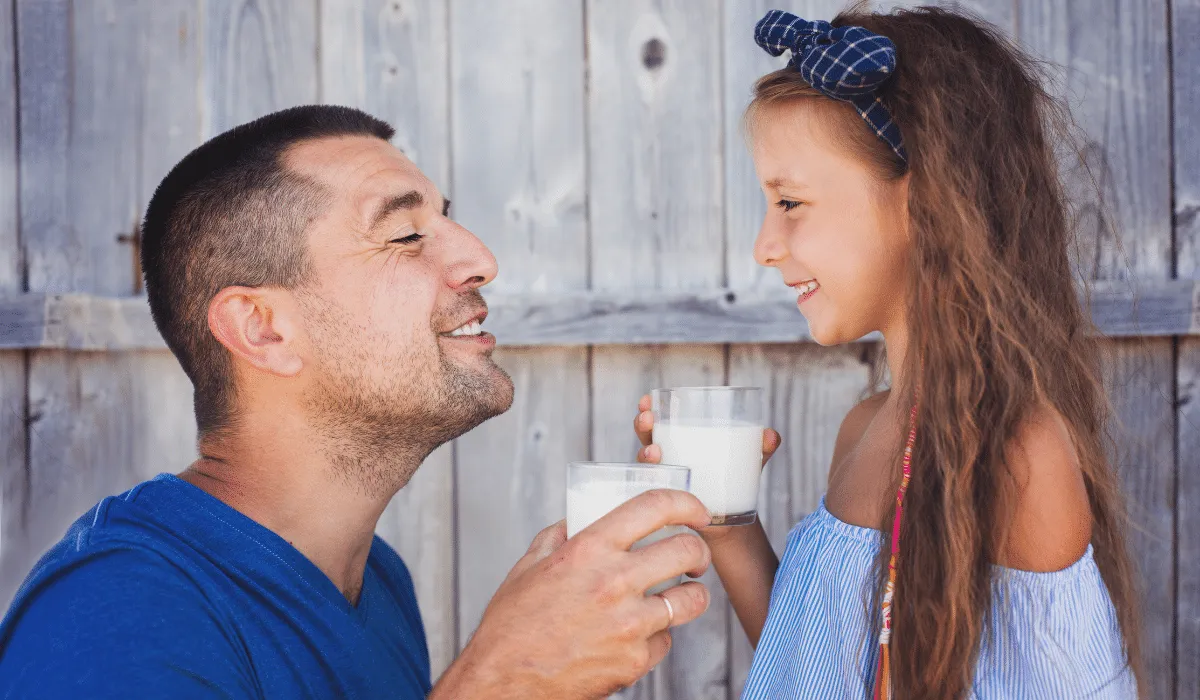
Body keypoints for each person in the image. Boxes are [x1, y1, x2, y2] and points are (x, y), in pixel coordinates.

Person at [0, 106, 715, 699]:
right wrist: (503, 684)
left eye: (446, 222)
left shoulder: (375, 580)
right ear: (264, 329)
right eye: (406, 235)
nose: (479, 259)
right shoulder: (117, 615)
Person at [636, 7, 1141, 698]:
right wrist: (726, 520)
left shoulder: (1019, 458)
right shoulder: (864, 428)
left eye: (789, 202)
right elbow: (812, 668)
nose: (764, 246)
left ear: (922, 201)